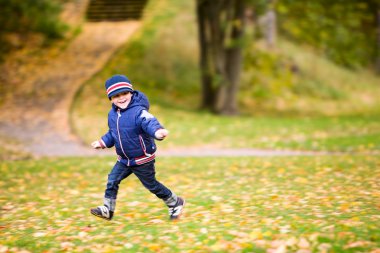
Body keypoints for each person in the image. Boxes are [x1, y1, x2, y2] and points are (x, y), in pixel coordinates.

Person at [90, 74, 185, 220]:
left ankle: (175, 202)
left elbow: (149, 122)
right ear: (111, 99)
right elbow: (113, 133)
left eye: (124, 93)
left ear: (131, 93)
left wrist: (157, 131)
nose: (121, 98)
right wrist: (102, 142)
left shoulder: (138, 111)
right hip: (124, 160)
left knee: (152, 185)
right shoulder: (112, 114)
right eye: (116, 96)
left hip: (142, 158)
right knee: (112, 180)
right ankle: (107, 209)